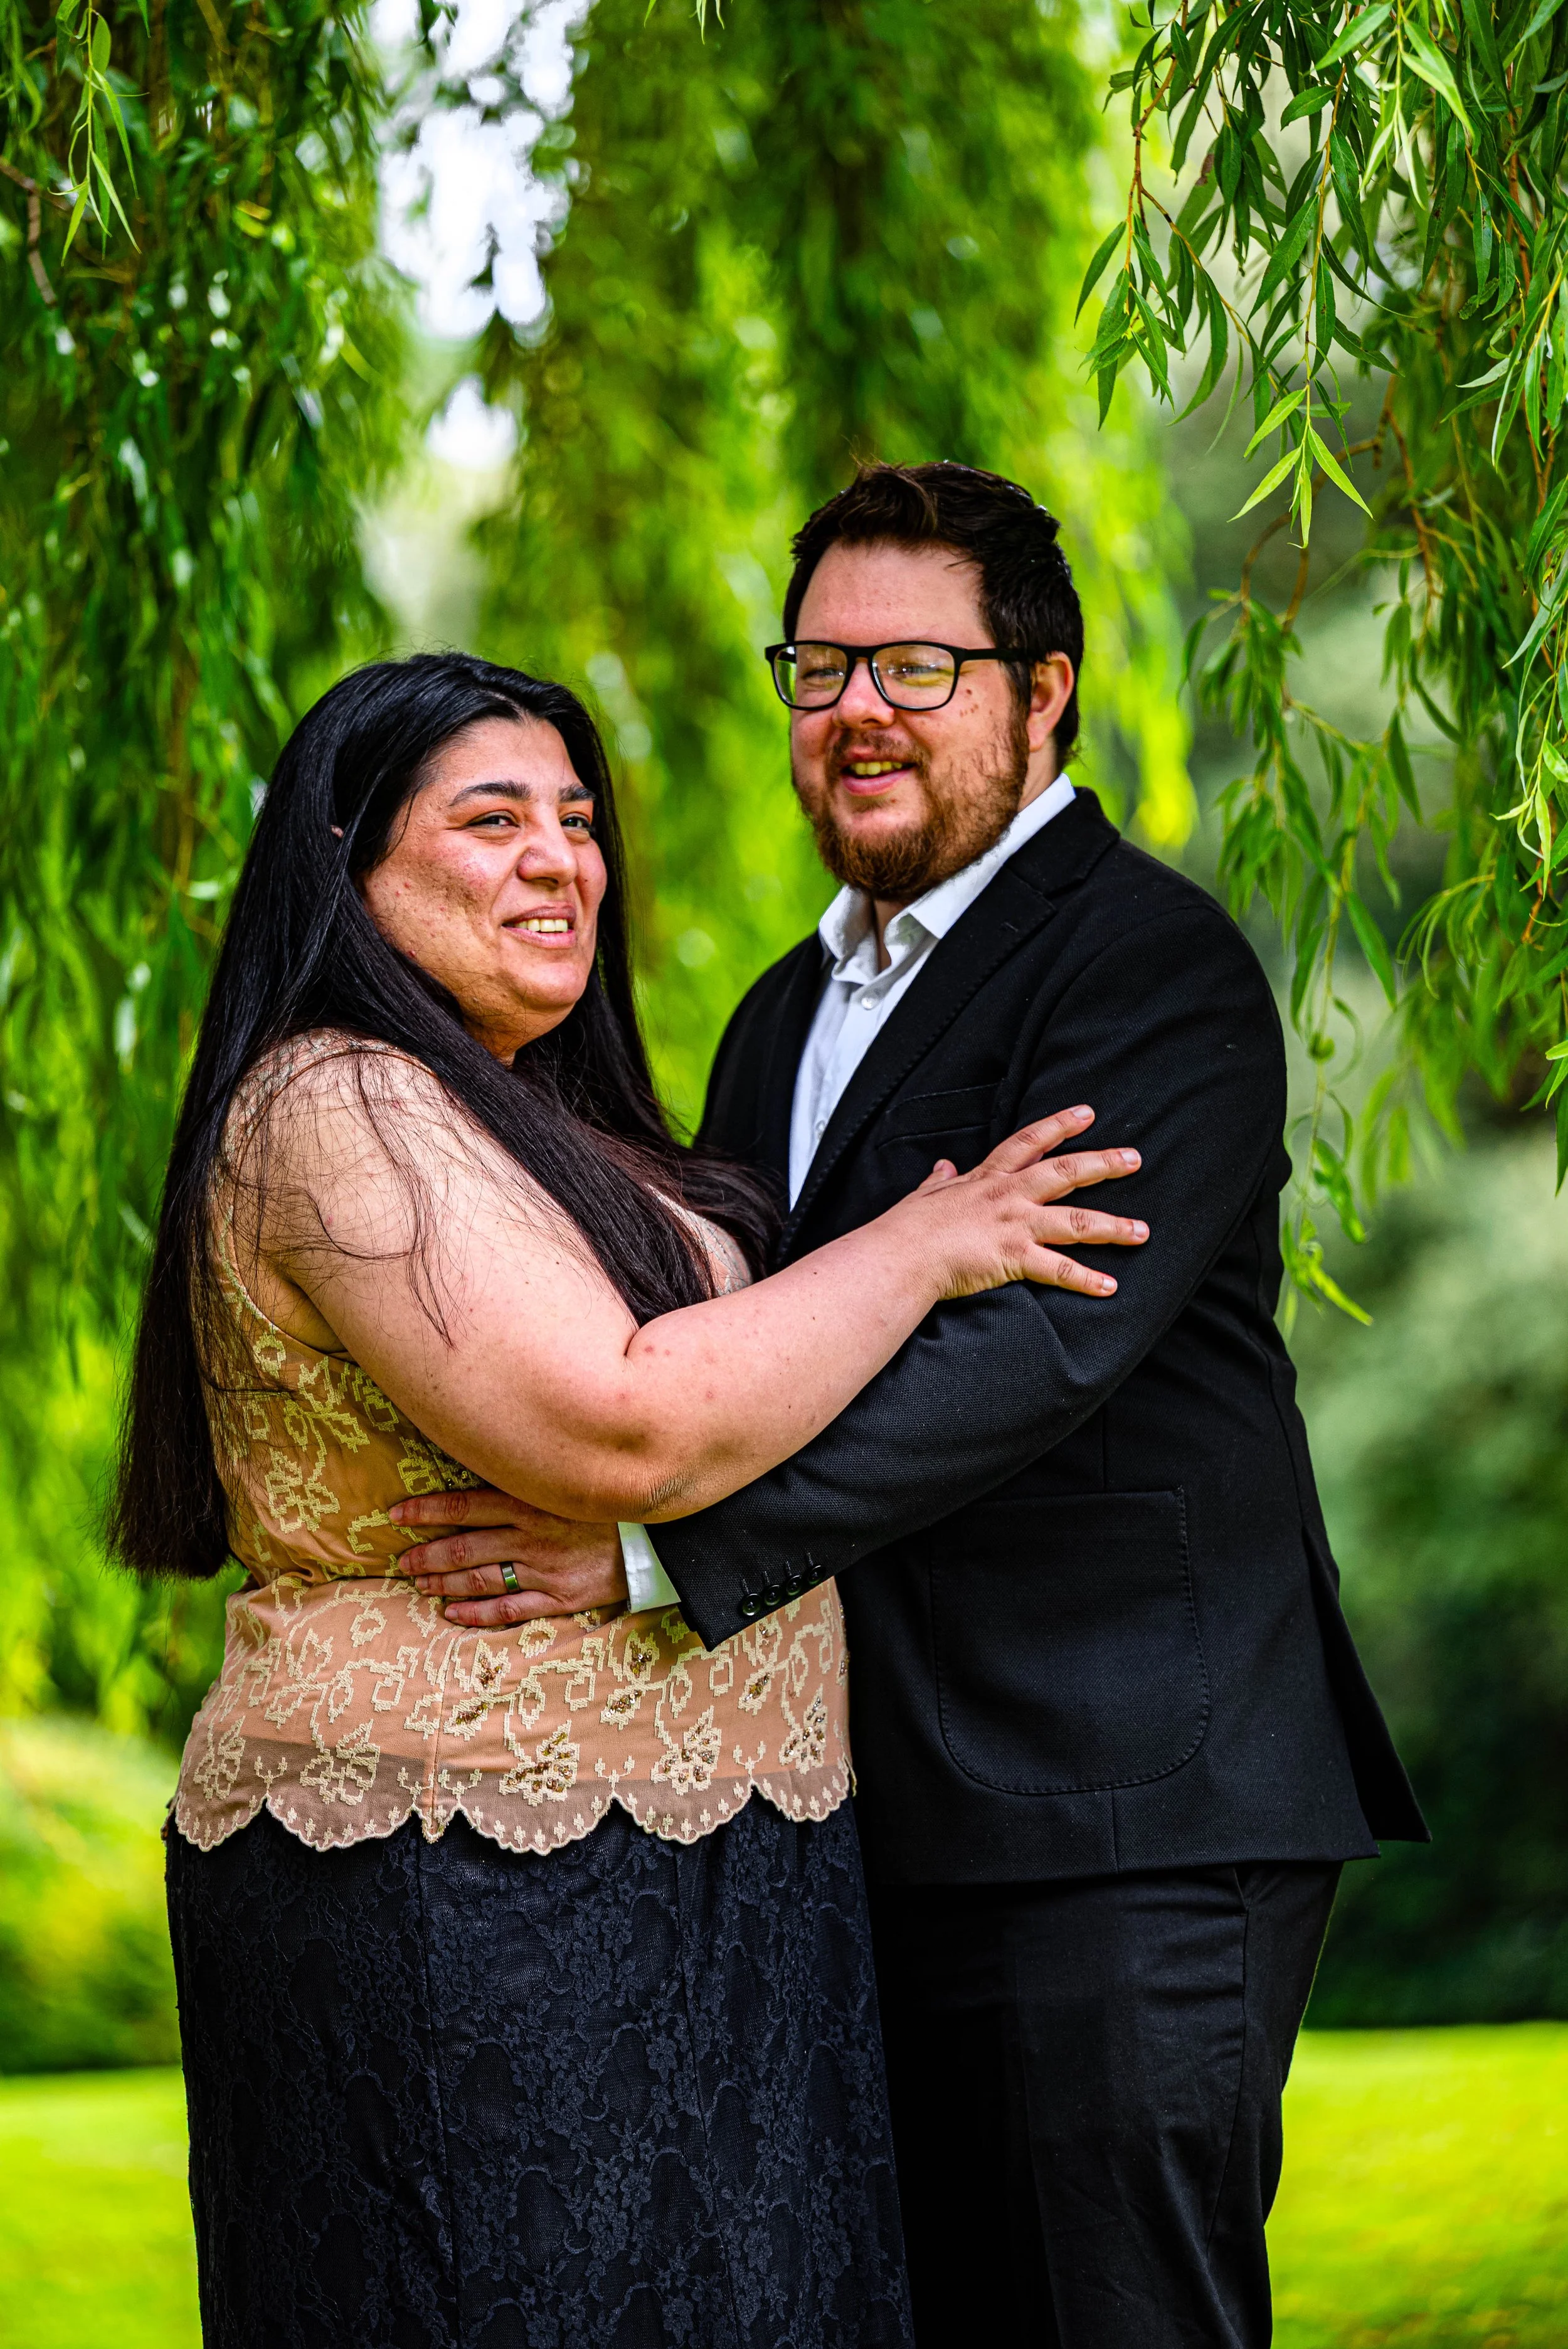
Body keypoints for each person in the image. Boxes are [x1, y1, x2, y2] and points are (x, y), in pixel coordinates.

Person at [405, 465, 1428, 2348]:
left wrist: (646, 1549)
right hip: (873, 1808)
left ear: (1043, 693)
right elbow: (732, 1350)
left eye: (917, 666)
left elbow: (1023, 1364)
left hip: (1119, 1804)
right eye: (819, 666)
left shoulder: (1147, 969)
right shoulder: (782, 1013)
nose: (855, 708)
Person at [109, 649, 1149, 2348]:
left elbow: (730, 1440)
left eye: (580, 821)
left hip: (723, 1869)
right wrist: (929, 1241)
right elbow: (621, 1432)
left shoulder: (535, 1120)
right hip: (465, 1887)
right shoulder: (336, 1101)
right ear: (348, 870)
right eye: (493, 818)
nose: (560, 859)